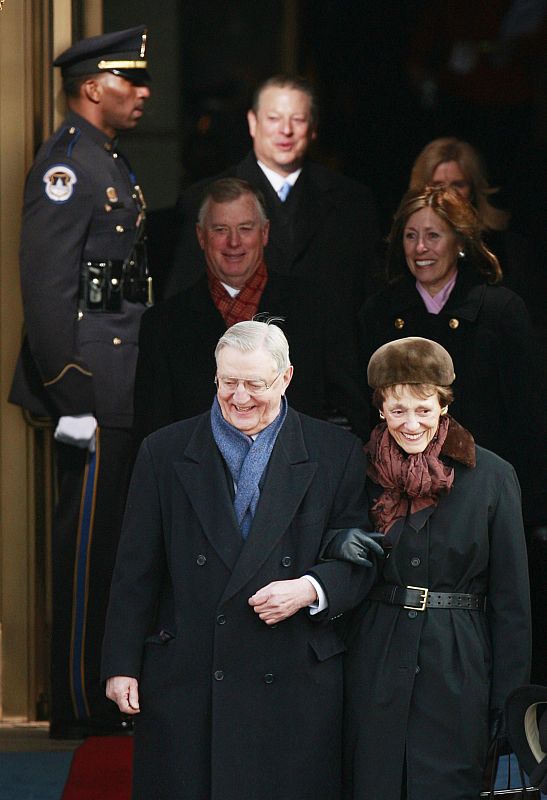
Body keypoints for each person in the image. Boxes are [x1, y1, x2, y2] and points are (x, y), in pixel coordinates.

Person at [101, 320, 381, 800]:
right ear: (215, 377)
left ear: (287, 378)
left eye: (256, 383)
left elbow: (361, 556)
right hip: (190, 675)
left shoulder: (335, 453)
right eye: (229, 382)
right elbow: (135, 571)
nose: (240, 397)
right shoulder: (163, 452)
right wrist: (121, 663)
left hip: (294, 675)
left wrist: (310, 589)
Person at [8, 26, 152, 738]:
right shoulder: (67, 165)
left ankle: (98, 691)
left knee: (112, 548)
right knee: (86, 552)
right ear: (93, 86)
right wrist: (70, 393)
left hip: (116, 380)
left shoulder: (106, 160)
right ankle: (75, 701)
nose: (145, 92)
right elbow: (45, 284)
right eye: (133, 80)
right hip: (90, 386)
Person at [340, 336, 531, 799]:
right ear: (381, 409)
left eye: (424, 409)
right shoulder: (354, 471)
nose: (411, 423)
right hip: (375, 656)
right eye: (398, 410)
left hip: (458, 661)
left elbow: (512, 600)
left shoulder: (492, 475)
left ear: (444, 406)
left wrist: (510, 703)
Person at [134, 177, 368, 443]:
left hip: (298, 478)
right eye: (220, 229)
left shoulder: (318, 308)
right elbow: (153, 439)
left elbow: (349, 415)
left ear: (265, 232)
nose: (234, 242)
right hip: (199, 481)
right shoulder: (162, 325)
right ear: (201, 236)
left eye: (245, 228)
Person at [164, 74, 381, 306]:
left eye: (297, 119)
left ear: (313, 128)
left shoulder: (352, 200)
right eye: (274, 118)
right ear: (253, 123)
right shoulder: (202, 199)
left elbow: (371, 296)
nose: (285, 130)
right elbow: (181, 301)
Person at [408, 136, 546, 325]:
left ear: (473, 190)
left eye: (458, 185)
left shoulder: (509, 249)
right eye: (438, 185)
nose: (449, 195)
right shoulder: (406, 248)